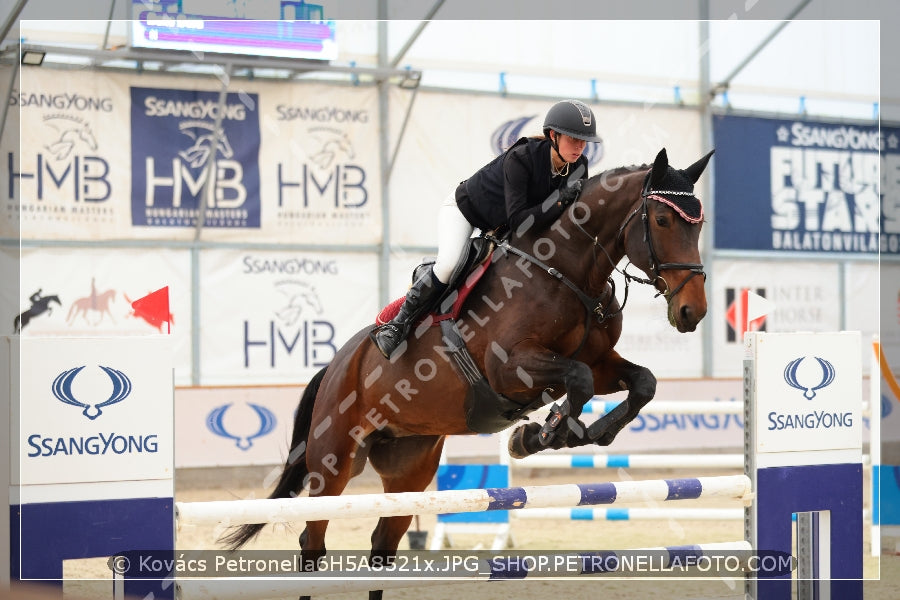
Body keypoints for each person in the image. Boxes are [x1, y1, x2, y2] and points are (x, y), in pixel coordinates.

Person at [371, 99, 603, 359]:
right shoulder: (522, 158)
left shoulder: (579, 167)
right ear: (553, 135)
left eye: (584, 141)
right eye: (573, 139)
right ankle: (397, 326)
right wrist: (560, 201)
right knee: (449, 265)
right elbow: (520, 220)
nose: (580, 146)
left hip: (502, 226)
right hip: (464, 210)